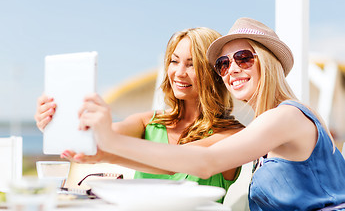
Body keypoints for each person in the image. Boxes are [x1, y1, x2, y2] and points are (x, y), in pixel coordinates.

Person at [79, 17, 345, 210]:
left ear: (267, 61)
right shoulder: (268, 127)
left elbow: (206, 161)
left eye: (243, 57)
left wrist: (111, 143)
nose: (232, 69)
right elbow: (177, 164)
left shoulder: (285, 117)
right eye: (223, 63)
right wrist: (101, 150)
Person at [34, 27, 245, 203]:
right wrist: (59, 123)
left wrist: (107, 152)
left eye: (192, 64)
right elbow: (100, 137)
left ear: (214, 72)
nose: (179, 72)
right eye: (174, 61)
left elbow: (175, 163)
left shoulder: (233, 134)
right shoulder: (148, 122)